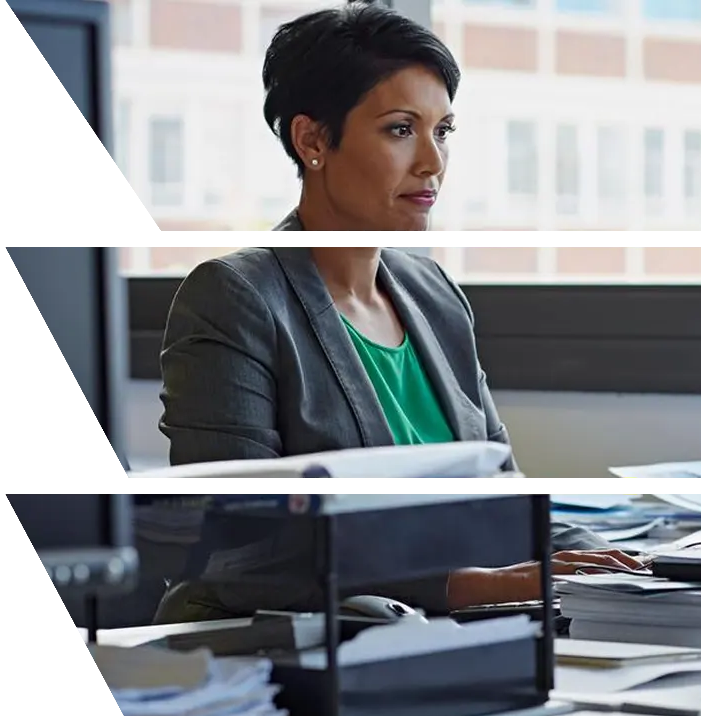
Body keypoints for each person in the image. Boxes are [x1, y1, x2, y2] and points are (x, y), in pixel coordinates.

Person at [153, 2, 639, 624]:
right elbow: (240, 551)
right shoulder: (234, 297)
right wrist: (472, 586)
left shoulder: (433, 292)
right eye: (400, 129)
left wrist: (617, 566)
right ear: (312, 140)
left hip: (449, 635)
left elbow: (506, 500)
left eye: (443, 131)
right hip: (285, 652)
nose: (432, 162)